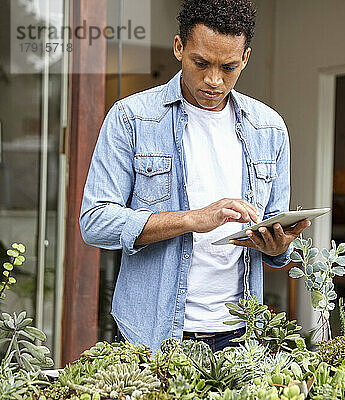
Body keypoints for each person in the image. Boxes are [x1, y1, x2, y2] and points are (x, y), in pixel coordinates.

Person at [79, 0, 309, 352]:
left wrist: (278, 247)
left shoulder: (270, 129)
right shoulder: (131, 118)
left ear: (245, 59)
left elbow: (275, 244)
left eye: (228, 67)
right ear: (179, 48)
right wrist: (191, 219)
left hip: (240, 332)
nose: (213, 80)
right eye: (200, 63)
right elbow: (95, 221)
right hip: (153, 333)